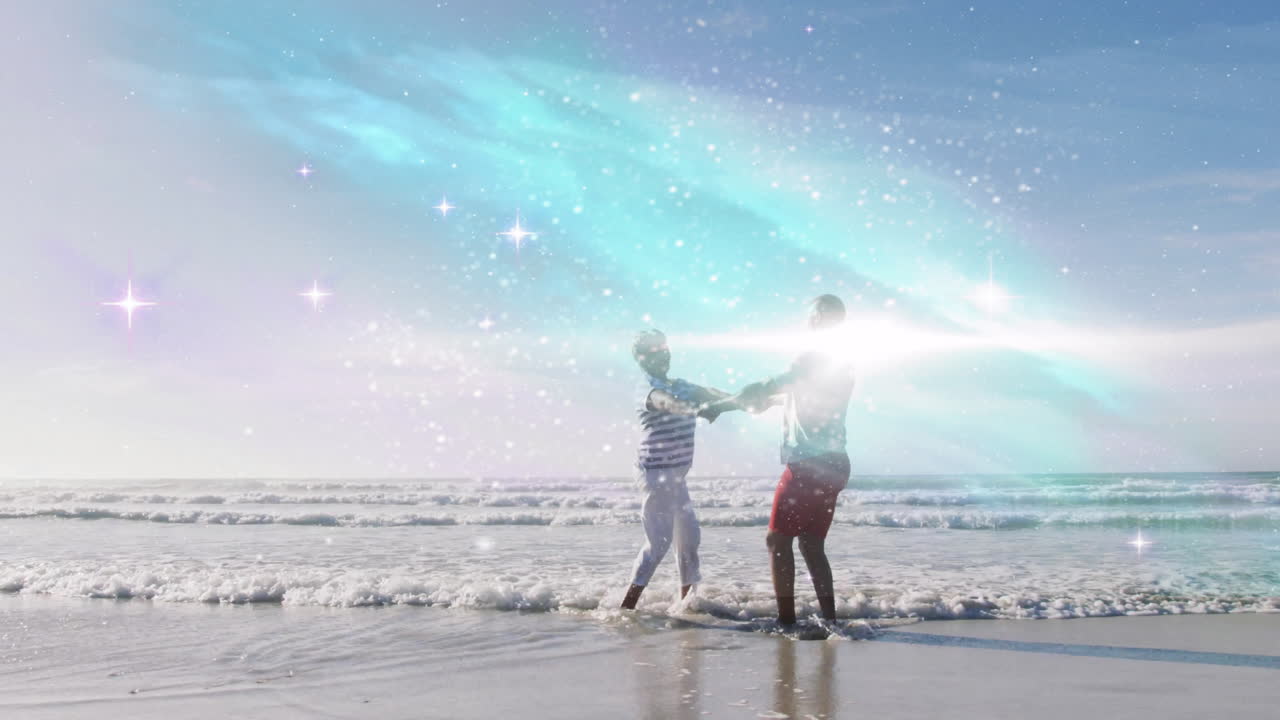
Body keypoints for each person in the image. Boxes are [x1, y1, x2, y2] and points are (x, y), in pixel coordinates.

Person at [699, 295, 855, 626]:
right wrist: (722, 404)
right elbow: (771, 399)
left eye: (815, 317)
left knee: (777, 541)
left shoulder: (813, 359)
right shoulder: (842, 363)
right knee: (812, 545)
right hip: (836, 464)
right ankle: (830, 622)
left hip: (809, 464)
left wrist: (734, 397)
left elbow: (766, 386)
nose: (811, 322)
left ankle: (786, 624)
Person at [621, 329, 729, 610]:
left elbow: (719, 395)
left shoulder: (682, 385)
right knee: (659, 543)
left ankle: (685, 605)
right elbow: (666, 403)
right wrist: (696, 409)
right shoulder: (647, 388)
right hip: (655, 475)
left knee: (689, 539)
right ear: (641, 359)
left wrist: (762, 399)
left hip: (677, 475)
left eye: (663, 347)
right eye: (652, 351)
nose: (661, 353)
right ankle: (626, 607)